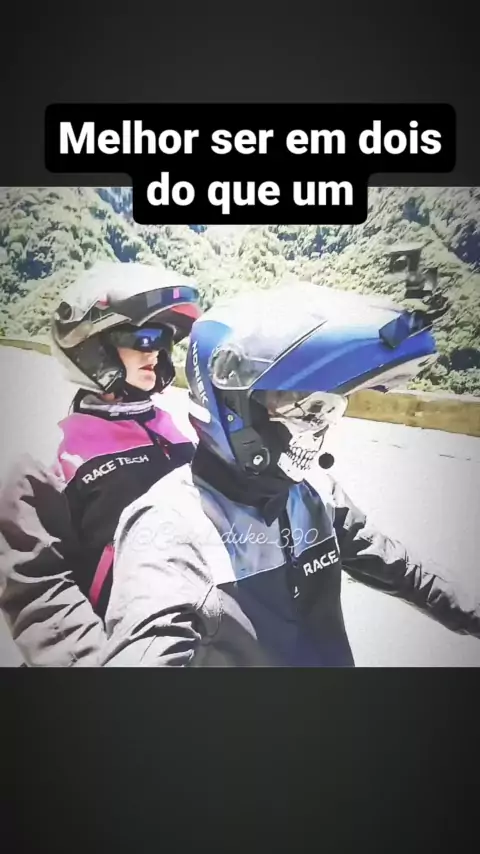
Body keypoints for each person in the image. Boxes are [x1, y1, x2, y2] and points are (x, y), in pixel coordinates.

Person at [99, 282, 480, 667]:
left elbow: (404, 570)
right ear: (235, 409)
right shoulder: (168, 528)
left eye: (328, 409)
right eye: (304, 409)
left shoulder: (314, 494)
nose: (317, 430)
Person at [0, 260, 201, 666]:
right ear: (93, 348)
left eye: (163, 339)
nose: (155, 351)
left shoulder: (177, 430)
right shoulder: (49, 461)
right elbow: (40, 591)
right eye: (143, 337)